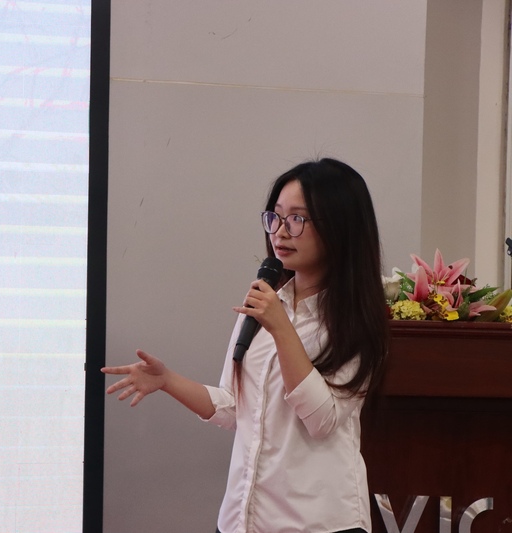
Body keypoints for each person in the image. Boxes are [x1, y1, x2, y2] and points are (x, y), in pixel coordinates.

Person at [102, 158, 388, 533]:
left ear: (339, 226)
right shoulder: (266, 303)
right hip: (243, 519)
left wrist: (281, 329)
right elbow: (234, 407)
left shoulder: (355, 320)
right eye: (275, 217)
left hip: (317, 523)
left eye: (297, 219)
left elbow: (322, 420)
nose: (280, 232)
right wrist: (167, 380)